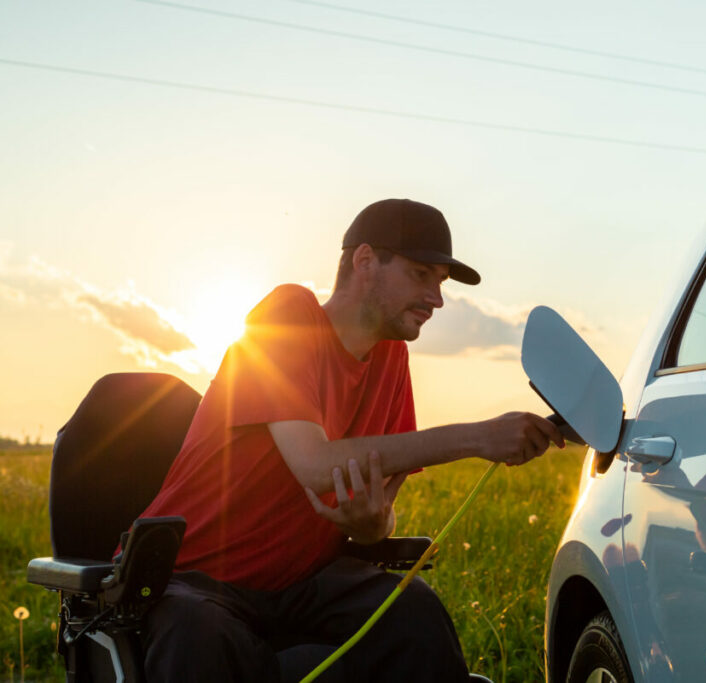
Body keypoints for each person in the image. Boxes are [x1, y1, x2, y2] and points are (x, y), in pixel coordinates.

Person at [137, 198, 564, 683]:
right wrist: (479, 437)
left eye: (440, 283)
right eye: (421, 275)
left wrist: (371, 526)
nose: (437, 299)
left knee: (412, 612)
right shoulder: (287, 316)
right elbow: (316, 465)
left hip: (300, 586)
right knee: (201, 634)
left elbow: (378, 516)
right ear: (365, 261)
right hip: (195, 581)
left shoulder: (392, 361)